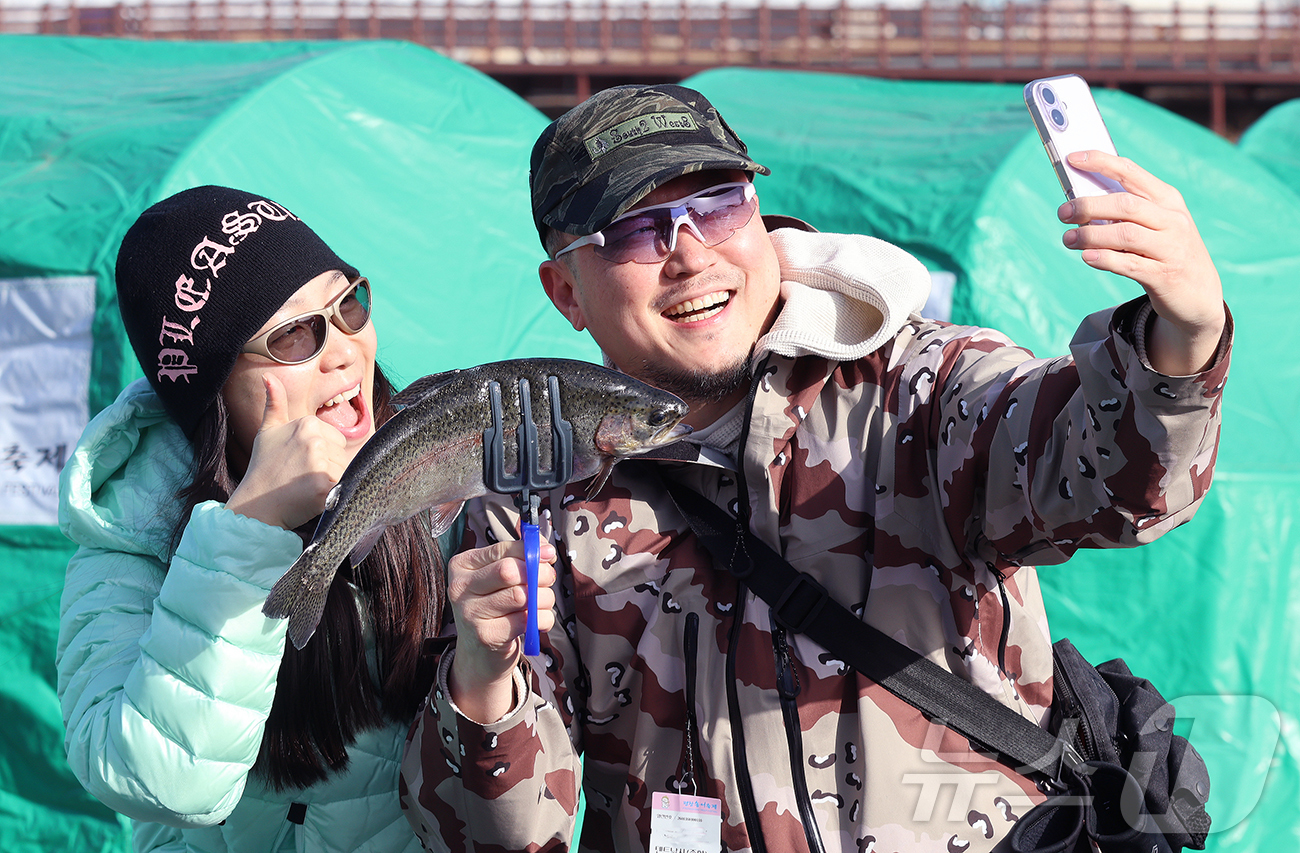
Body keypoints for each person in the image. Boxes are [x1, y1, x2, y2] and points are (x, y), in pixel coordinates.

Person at [400, 84, 1231, 853]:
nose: (690, 255)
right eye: (634, 231)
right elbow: (494, 834)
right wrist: (483, 681)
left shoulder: (922, 392)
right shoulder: (528, 498)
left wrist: (1182, 340)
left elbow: (1113, 482)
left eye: (718, 204)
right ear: (566, 293)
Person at [55, 186, 454, 852]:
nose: (345, 352)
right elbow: (160, 781)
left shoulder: (438, 487)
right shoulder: (130, 541)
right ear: (213, 389)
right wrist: (249, 530)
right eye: (295, 334)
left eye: (349, 302)